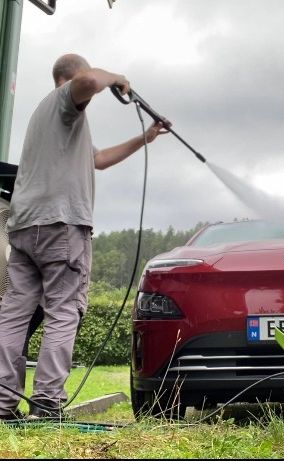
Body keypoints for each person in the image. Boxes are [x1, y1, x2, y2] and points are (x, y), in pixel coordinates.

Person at [0, 53, 171, 420]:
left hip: (24, 226)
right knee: (64, 311)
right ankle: (47, 405)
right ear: (71, 77)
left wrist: (146, 137)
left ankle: (2, 403)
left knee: (14, 314)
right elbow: (89, 82)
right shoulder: (65, 100)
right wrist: (118, 77)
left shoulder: (50, 120)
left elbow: (99, 159)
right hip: (61, 225)